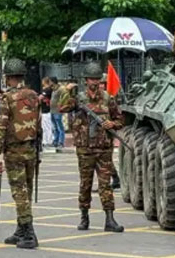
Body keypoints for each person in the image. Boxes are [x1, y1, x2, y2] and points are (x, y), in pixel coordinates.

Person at [59, 62, 125, 233]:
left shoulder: (108, 99)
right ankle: (84, 217)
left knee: (106, 185)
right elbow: (62, 107)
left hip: (103, 149)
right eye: (91, 79)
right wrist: (67, 91)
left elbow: (120, 120)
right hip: (85, 149)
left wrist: (112, 123)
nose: (95, 82)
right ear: (85, 81)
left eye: (97, 79)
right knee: (85, 184)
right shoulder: (79, 98)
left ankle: (110, 219)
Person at [0, 58, 41, 249]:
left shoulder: (7, 99)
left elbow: (0, 127)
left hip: (14, 151)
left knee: (20, 192)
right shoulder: (34, 96)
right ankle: (21, 229)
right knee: (26, 190)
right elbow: (38, 125)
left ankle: (28, 233)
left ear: (8, 77)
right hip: (31, 150)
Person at [48, 76, 65, 152]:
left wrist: (61, 106)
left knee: (59, 126)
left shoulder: (60, 89)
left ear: (53, 81)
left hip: (58, 111)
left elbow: (64, 98)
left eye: (50, 81)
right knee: (55, 127)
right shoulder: (53, 89)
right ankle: (56, 141)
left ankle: (61, 142)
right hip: (52, 110)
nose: (49, 83)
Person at [39, 77, 54, 148]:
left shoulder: (47, 90)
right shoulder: (45, 89)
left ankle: (49, 140)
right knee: (44, 126)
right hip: (44, 110)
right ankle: (45, 140)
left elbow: (41, 97)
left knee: (47, 126)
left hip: (46, 110)